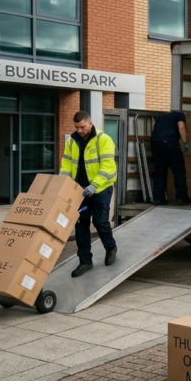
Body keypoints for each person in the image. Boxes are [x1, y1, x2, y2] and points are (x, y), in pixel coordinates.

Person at [60, 111, 118, 278]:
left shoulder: (103, 139)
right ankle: (85, 261)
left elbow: (108, 167)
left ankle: (110, 247)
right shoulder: (72, 141)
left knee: (100, 222)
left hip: (100, 189)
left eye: (82, 127)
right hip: (80, 191)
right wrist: (62, 181)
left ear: (90, 123)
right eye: (77, 127)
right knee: (81, 225)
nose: (79, 130)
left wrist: (94, 184)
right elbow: (66, 163)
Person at [151, 110, 191, 205]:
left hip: (155, 143)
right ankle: (181, 197)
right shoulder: (179, 115)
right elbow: (181, 127)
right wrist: (185, 142)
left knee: (160, 171)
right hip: (169, 143)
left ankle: (158, 198)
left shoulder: (160, 118)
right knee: (179, 171)